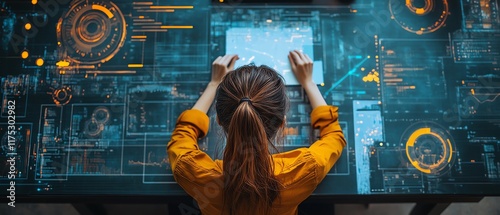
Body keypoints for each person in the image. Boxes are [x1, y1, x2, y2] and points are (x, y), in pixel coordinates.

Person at [167, 51, 346, 215]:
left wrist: (214, 84)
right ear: (282, 122)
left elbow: (183, 134)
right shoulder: (305, 168)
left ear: (219, 121)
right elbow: (334, 137)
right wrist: (309, 82)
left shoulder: (194, 172)